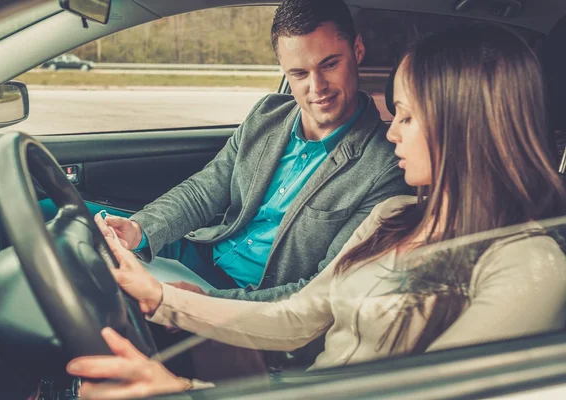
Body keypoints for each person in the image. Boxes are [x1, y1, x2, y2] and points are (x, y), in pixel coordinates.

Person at [69, 23, 566, 399]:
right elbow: (300, 315)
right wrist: (158, 296)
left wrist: (182, 390)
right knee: (69, 216)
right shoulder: (395, 216)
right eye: (297, 72)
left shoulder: (530, 266)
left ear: (464, 125)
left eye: (409, 117)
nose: (393, 131)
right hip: (289, 372)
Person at [94, 0, 410, 302]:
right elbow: (204, 193)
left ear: (357, 50)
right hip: (201, 251)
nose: (317, 87)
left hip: (248, 297)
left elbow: (321, 290)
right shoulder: (267, 114)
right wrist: (140, 228)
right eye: (299, 74)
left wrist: (207, 303)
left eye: (329, 64)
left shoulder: (386, 164)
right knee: (69, 218)